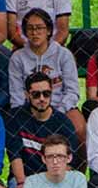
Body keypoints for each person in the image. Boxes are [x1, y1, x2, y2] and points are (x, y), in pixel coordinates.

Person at [8, 9, 83, 144]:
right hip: (30, 109)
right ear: (24, 32)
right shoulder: (17, 58)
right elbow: (16, 95)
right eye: (30, 28)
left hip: (61, 106)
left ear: (49, 30)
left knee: (79, 129)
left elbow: (72, 91)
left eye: (39, 28)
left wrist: (57, 112)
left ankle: (77, 165)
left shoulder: (64, 55)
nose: (35, 32)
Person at [6, 71, 79, 188]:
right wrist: (22, 183)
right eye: (36, 94)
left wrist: (51, 183)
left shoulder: (63, 122)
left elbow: (70, 162)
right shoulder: (15, 118)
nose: (42, 98)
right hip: (24, 176)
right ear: (27, 95)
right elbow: (14, 155)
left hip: (55, 177)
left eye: (46, 93)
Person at [5, 0, 70, 48]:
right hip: (22, 48)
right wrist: (29, 50)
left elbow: (63, 31)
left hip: (54, 47)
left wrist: (49, 50)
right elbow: (11, 32)